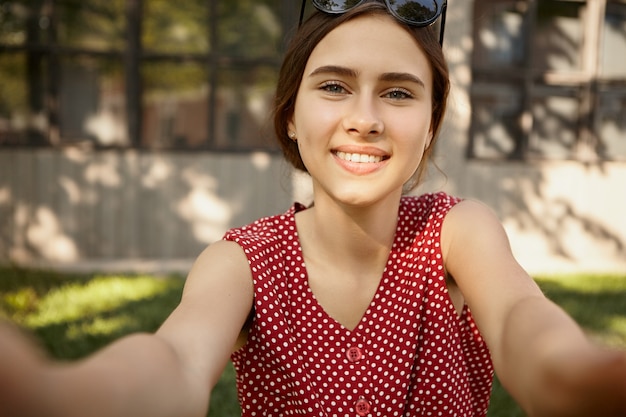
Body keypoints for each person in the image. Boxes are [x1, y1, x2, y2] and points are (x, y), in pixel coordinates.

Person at [1, 1, 625, 416]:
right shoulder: (242, 262)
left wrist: (582, 376)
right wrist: (59, 395)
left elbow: (524, 323)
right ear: (292, 117)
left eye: (399, 92)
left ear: (430, 128)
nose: (364, 118)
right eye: (333, 86)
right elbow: (174, 363)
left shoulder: (457, 232)